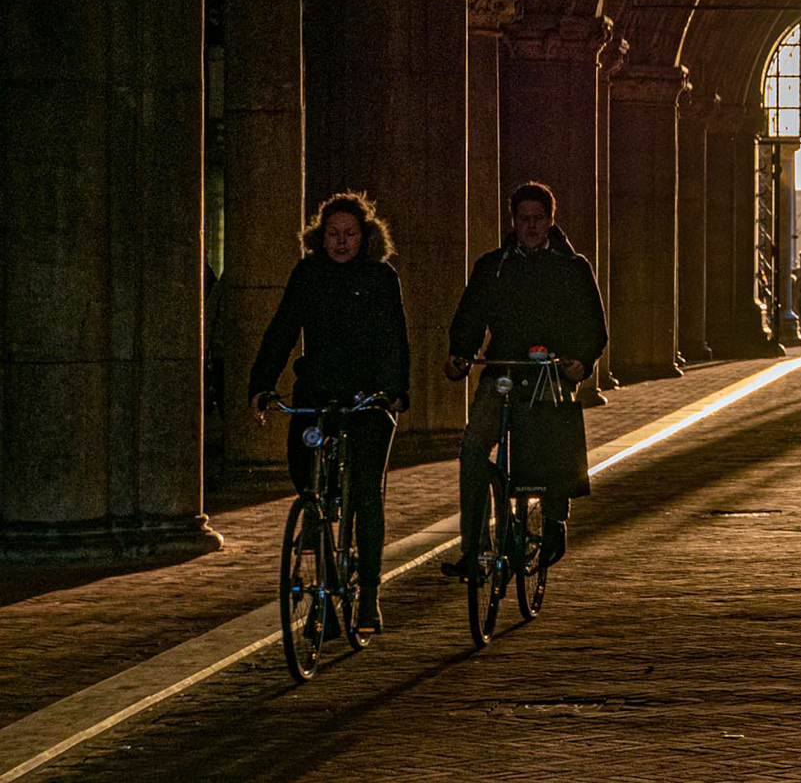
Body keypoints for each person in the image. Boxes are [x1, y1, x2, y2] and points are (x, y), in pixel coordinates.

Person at [248, 191, 409, 634]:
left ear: (366, 236)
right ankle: (324, 583)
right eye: (333, 234)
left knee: (365, 494)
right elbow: (282, 329)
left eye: (350, 234)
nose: (341, 242)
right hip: (317, 391)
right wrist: (262, 384)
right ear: (321, 237)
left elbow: (395, 336)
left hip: (367, 399)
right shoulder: (308, 274)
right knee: (308, 483)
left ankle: (369, 598)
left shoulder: (380, 277)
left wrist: (394, 390)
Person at [442, 182, 607, 580]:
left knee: (556, 440)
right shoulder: (492, 266)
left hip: (550, 371)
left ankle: (553, 520)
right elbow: (470, 316)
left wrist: (581, 362)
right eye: (523, 219)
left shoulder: (573, 268)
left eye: (538, 219)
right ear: (513, 221)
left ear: (551, 221)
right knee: (473, 447)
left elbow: (594, 329)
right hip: (503, 370)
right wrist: (460, 353)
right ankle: (475, 547)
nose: (531, 227)